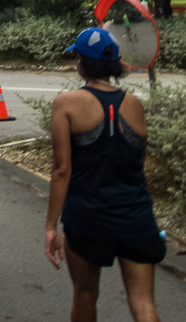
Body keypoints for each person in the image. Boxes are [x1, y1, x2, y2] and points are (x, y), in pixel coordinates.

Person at [45, 27, 165, 322]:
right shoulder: (134, 104)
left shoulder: (66, 103)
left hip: (88, 219)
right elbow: (137, 161)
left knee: (85, 295)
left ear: (82, 62)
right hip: (136, 218)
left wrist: (50, 226)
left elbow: (62, 170)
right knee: (143, 303)